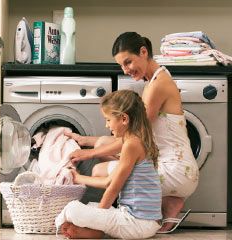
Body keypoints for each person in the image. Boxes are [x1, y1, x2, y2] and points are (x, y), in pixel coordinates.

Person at [65, 32, 199, 233]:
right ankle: (170, 203)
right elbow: (127, 135)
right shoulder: (155, 79)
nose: (125, 69)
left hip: (175, 170)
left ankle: (105, 222)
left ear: (143, 52)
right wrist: (85, 141)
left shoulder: (156, 87)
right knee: (110, 150)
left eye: (128, 62)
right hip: (179, 166)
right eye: (121, 65)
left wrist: (89, 153)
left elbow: (134, 136)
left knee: (99, 170)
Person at [55, 90, 162, 239]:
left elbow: (112, 188)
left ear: (124, 119)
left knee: (72, 209)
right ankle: (95, 231)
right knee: (91, 206)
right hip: (143, 221)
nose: (106, 125)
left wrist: (96, 220)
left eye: (108, 120)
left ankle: (95, 230)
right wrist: (78, 178)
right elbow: (109, 182)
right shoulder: (136, 139)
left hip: (137, 224)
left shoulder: (131, 145)